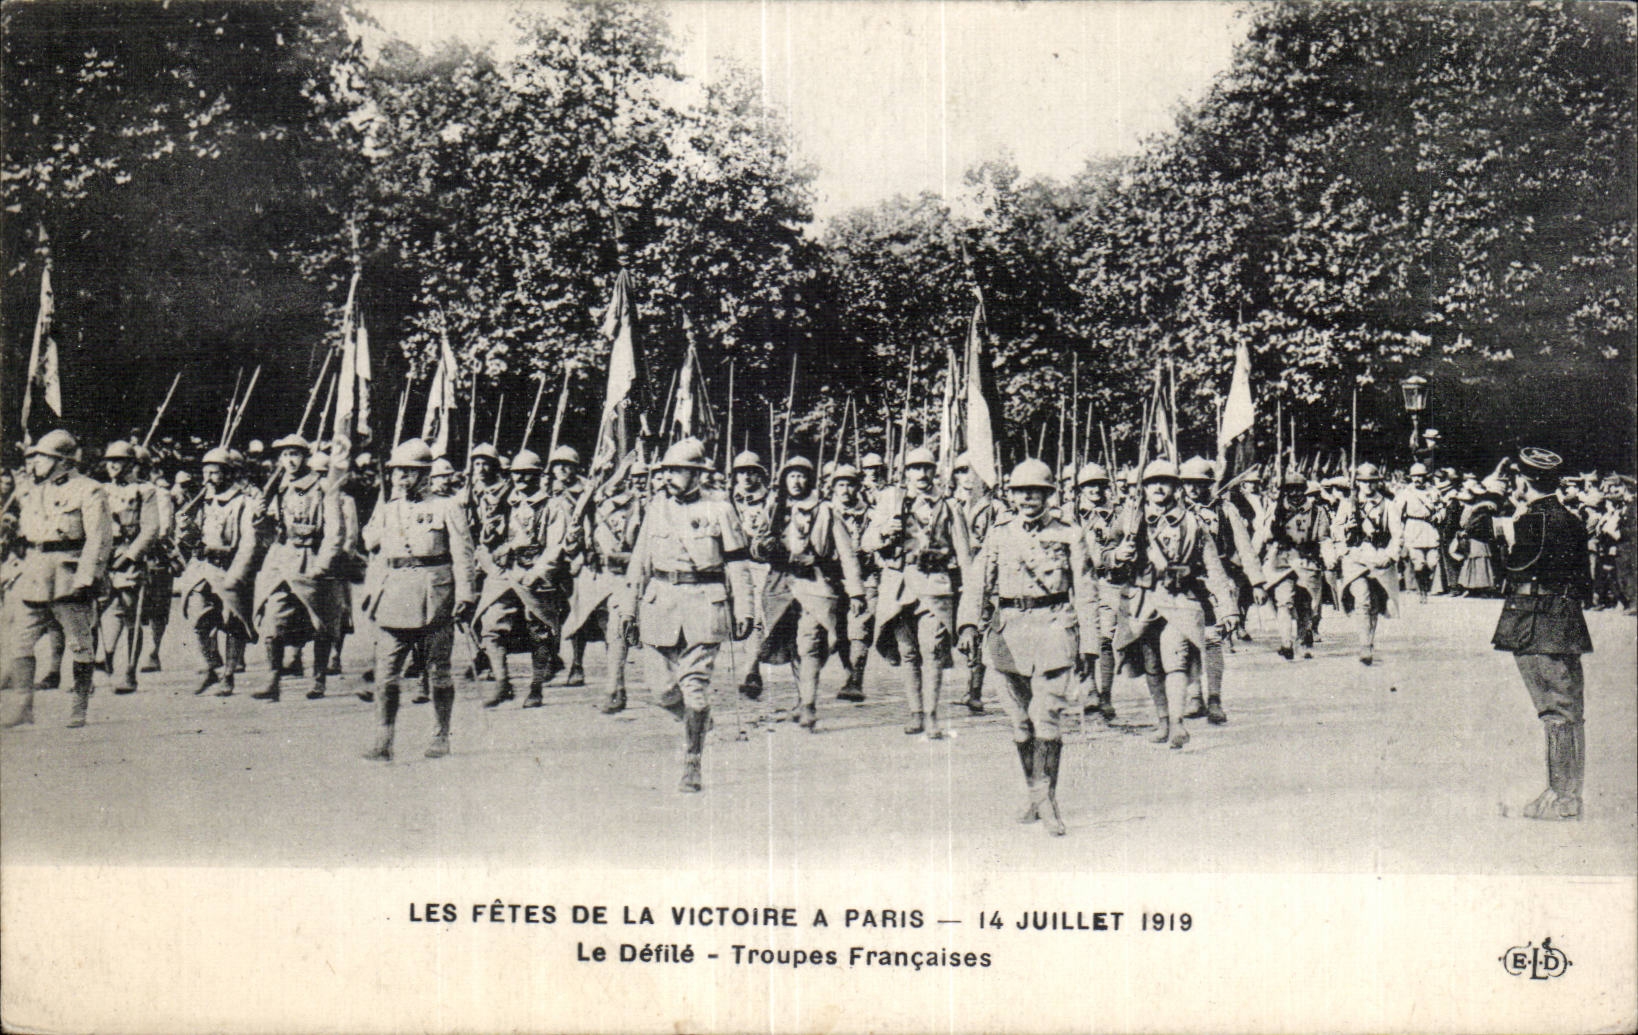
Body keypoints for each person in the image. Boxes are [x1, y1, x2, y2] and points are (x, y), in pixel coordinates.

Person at [958, 459, 1097, 836]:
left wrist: (1091, 644)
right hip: (1008, 633)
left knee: (1046, 716)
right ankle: (1035, 794)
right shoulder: (1000, 534)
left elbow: (1085, 590)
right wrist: (968, 624)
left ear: (1050, 495)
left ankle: (1048, 800)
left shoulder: (1070, 533)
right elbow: (977, 582)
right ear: (1012, 496)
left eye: (1037, 491)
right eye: (1021, 492)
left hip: (1054, 628)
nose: (1029, 498)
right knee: (1020, 724)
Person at [619, 438, 756, 792]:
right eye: (666, 470)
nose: (669, 476)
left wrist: (744, 608)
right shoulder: (655, 509)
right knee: (662, 690)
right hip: (659, 604)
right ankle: (698, 721)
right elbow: (640, 562)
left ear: (696, 474)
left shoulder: (720, 510)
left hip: (703, 605)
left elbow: (738, 564)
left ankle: (692, 762)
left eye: (677, 470)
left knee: (694, 690)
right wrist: (627, 608)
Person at [1479, 448, 1594, 820]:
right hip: (1565, 620)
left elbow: (1470, 525)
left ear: (1523, 481)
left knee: (1555, 711)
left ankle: (1562, 797)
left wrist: (1492, 492)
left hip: (1535, 622)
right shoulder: (1572, 520)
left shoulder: (1530, 521)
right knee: (1570, 710)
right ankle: (1567, 793)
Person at [1109, 459, 1240, 750]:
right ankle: (1163, 719)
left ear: (1175, 487)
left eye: (1165, 482)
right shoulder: (1130, 519)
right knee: (1152, 665)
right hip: (1142, 602)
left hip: (1180, 599)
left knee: (1176, 659)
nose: (1158, 487)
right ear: (1143, 488)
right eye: (1152, 482)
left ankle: (1178, 722)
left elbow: (1213, 566)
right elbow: (1104, 555)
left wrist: (1229, 608)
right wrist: (1119, 554)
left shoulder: (1193, 522)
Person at [360, 439, 476, 761]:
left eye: (408, 473)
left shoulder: (447, 506)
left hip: (435, 596)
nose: (401, 478)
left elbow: (463, 555)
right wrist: (379, 515)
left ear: (425, 475)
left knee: (439, 670)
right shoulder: (388, 507)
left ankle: (440, 735)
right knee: (386, 673)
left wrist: (466, 594)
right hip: (394, 594)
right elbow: (369, 542)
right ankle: (384, 738)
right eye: (397, 472)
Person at [1, 431, 114, 729]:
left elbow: (99, 539)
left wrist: (87, 577)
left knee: (79, 644)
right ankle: (24, 706)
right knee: (20, 642)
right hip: (36, 574)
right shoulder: (36, 491)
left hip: (68, 576)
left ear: (62, 460)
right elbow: (29, 536)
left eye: (42, 456)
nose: (35, 461)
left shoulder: (89, 490)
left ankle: (79, 707)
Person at [748, 455, 866, 730]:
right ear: (784, 479)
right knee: (791, 645)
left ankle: (809, 705)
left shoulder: (825, 511)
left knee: (809, 642)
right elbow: (755, 547)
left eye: (802, 475)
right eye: (792, 475)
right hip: (781, 585)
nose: (797, 481)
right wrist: (763, 547)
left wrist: (857, 591)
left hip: (815, 583)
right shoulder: (774, 508)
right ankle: (802, 700)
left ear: (810, 479)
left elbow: (847, 553)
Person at [861, 447, 970, 738]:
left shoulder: (949, 506)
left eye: (926, 468)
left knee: (932, 650)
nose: (921, 474)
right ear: (905, 472)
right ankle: (916, 711)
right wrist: (886, 530)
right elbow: (866, 541)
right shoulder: (891, 500)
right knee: (908, 653)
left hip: (935, 584)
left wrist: (970, 598)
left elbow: (965, 555)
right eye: (914, 468)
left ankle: (933, 714)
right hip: (898, 584)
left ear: (935, 471)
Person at [250, 435, 348, 701]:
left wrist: (324, 563)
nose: (289, 460)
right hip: (283, 558)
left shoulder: (324, 487)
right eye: (285, 455)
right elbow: (270, 533)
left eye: (295, 454)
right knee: (273, 619)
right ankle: (273, 678)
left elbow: (335, 530)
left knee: (321, 623)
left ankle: (318, 679)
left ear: (306, 457)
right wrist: (259, 516)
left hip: (313, 558)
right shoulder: (280, 488)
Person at [474, 449, 573, 708]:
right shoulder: (504, 503)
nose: (521, 480)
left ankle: (536, 686)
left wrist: (538, 572)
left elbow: (556, 546)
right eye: (517, 474)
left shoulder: (553, 507)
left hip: (536, 573)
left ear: (539, 476)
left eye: (528, 475)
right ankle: (502, 682)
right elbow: (488, 540)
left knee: (539, 632)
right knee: (490, 624)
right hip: (506, 572)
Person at [1181, 456, 1259, 722]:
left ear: (1209, 485)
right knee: (1188, 639)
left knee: (1213, 639)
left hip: (1217, 578)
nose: (1193, 489)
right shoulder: (1177, 511)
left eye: (1199, 484)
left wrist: (1257, 581)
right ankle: (1194, 695)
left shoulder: (1225, 509)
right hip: (1184, 582)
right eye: (1188, 483)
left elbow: (1244, 545)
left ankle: (1214, 698)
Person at [177, 447, 259, 696]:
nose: (208, 478)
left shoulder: (243, 502)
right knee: (198, 618)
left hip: (228, 568)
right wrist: (185, 528)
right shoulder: (202, 500)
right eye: (205, 472)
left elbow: (249, 541)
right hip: (201, 568)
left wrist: (239, 573)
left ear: (228, 474)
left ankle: (229, 675)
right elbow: (191, 540)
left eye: (215, 472)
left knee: (234, 622)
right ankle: (211, 667)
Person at [98, 440, 163, 693]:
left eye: (119, 461)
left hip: (128, 556)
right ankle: (101, 663)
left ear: (131, 464)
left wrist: (131, 555)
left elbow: (151, 529)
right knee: (98, 611)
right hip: (103, 556)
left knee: (131, 615)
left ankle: (129, 672)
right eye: (110, 461)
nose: (113, 465)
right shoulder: (100, 490)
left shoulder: (144, 491)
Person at [1254, 470, 1330, 661]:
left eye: (1298, 490)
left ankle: (1303, 642)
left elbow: (1324, 537)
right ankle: (1286, 642)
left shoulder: (1317, 511)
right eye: (1290, 490)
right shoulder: (1275, 508)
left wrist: (1330, 558)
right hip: (1282, 560)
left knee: (1306, 605)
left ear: (1305, 490)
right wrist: (1274, 528)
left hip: (1307, 559)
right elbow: (1265, 536)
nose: (1294, 494)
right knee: (1284, 601)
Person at [592, 460, 648, 713]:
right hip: (615, 579)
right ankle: (615, 686)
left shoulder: (652, 507)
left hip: (648, 578)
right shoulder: (603, 508)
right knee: (614, 630)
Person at [1331, 463, 1401, 665]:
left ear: (1378, 483)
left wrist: (1391, 555)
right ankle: (1364, 645)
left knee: (1374, 604)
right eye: (1363, 482)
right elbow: (1336, 530)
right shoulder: (1347, 504)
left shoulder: (1388, 504)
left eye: (1372, 482)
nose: (1368, 486)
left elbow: (1397, 534)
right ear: (1357, 483)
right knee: (1362, 599)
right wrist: (1343, 545)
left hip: (1379, 558)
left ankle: (1369, 641)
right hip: (1356, 557)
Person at [1074, 461, 1121, 726]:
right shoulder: (1071, 515)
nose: (1094, 490)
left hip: (1107, 582)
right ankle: (1088, 686)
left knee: (1104, 638)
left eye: (1099, 484)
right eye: (1088, 485)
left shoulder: (1117, 514)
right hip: (1079, 585)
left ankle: (1105, 694)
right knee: (1081, 638)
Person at [951, 452, 995, 715]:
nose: (966, 476)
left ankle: (974, 691)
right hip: (956, 575)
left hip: (982, 575)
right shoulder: (952, 503)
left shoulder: (993, 506)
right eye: (961, 471)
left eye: (970, 470)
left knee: (978, 629)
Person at [728, 451, 773, 700]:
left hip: (757, 566)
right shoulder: (727, 499)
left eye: (751, 471)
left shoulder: (771, 501)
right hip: (729, 566)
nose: (746, 476)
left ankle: (752, 669)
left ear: (760, 474)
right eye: (741, 471)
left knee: (754, 616)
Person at [829, 464, 875, 702]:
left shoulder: (869, 513)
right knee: (839, 631)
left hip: (865, 576)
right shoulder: (825, 512)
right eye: (841, 485)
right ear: (834, 487)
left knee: (860, 627)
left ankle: (856, 679)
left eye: (850, 484)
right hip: (835, 577)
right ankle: (849, 672)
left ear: (858, 487)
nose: (846, 490)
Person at [1392, 462, 1445, 603]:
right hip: (1413, 528)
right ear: (1411, 477)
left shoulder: (1433, 491)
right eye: (1415, 476)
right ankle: (1422, 591)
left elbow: (1441, 508)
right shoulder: (1405, 493)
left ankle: (1426, 585)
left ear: (1425, 477)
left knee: (1433, 563)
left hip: (1429, 528)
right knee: (1419, 564)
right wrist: (1399, 532)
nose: (1417, 479)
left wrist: (1438, 516)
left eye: (1420, 476)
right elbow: (1396, 513)